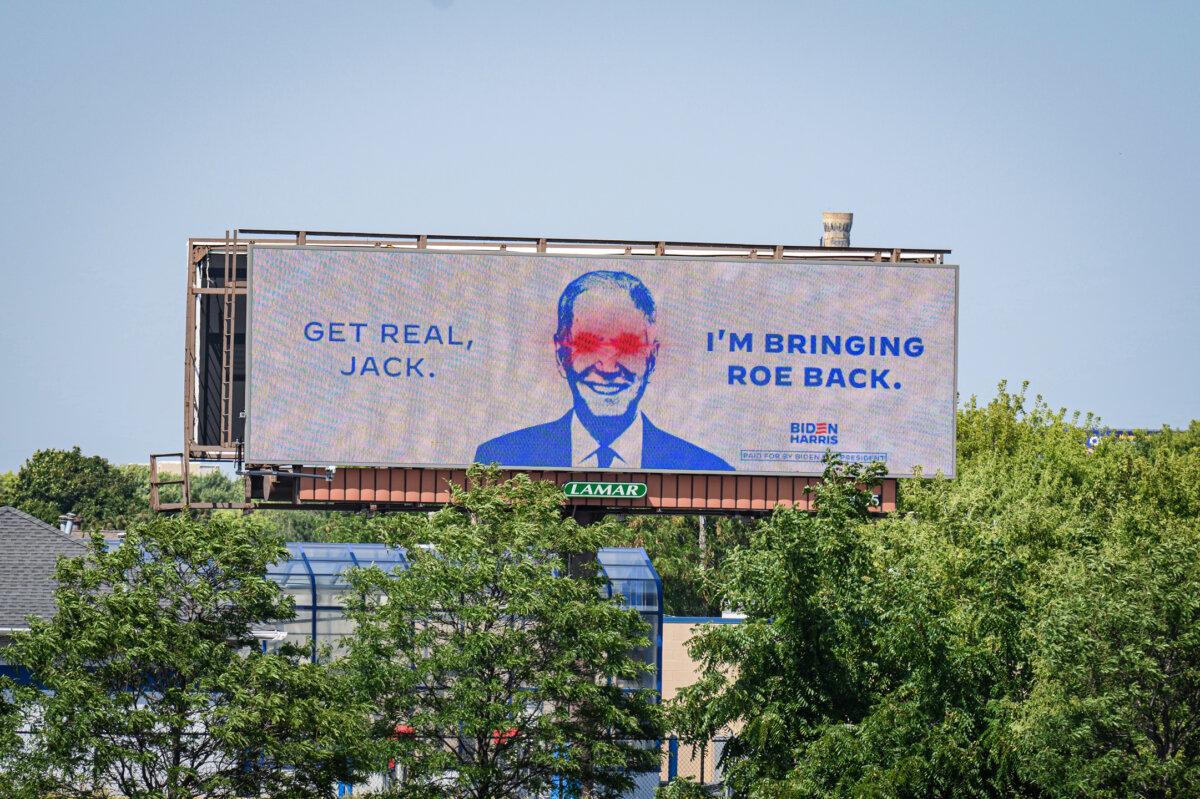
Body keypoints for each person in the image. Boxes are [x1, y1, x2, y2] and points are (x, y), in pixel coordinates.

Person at [475, 270, 733, 471]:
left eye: (628, 345)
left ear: (652, 356)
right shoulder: (498, 459)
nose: (607, 367)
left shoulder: (706, 468)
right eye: (587, 344)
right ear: (560, 354)